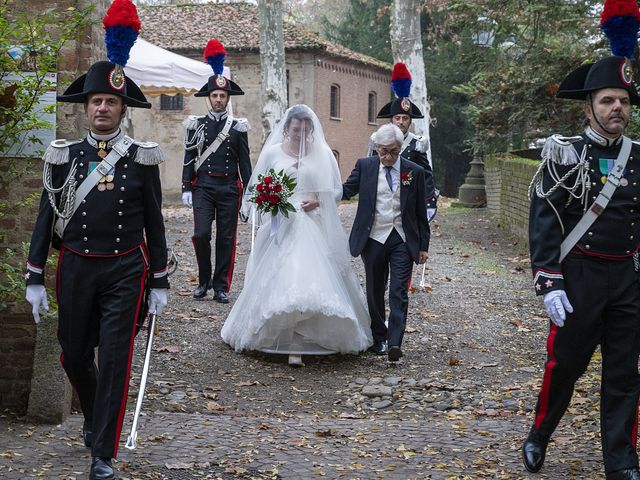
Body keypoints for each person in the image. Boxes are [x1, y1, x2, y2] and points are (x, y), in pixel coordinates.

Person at [24, 3, 169, 478]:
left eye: (110, 102)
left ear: (122, 109)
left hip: (126, 267)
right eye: (96, 102)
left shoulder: (141, 158)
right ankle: (94, 418)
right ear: (85, 108)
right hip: (77, 267)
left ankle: (102, 452)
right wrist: (35, 277)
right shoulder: (62, 156)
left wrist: (161, 280)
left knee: (116, 357)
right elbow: (47, 216)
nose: (102, 108)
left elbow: (154, 220)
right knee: (72, 352)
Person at [524, 55, 640, 480]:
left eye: (624, 101)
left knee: (625, 375)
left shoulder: (638, 157)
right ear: (588, 107)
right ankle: (539, 434)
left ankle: (623, 461)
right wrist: (549, 282)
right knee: (565, 367)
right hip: (579, 279)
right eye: (608, 100)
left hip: (627, 279)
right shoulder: (565, 153)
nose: (617, 109)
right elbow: (544, 222)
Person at [221, 104, 372, 366]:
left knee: (313, 273)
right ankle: (284, 332)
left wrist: (317, 201)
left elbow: (335, 191)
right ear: (287, 128)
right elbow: (257, 186)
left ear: (311, 129)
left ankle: (310, 333)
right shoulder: (272, 153)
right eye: (295, 129)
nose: (299, 134)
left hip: (311, 220)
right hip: (282, 220)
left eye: (304, 130)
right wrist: (272, 199)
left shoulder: (323, 153)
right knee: (277, 274)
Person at [343, 123, 430, 363]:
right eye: (383, 151)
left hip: (403, 238)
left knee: (398, 291)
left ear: (400, 149)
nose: (387, 157)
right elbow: (346, 191)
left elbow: (421, 212)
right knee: (374, 289)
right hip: (372, 237)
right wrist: (318, 195)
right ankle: (378, 336)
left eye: (392, 152)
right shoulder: (366, 166)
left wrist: (423, 246)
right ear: (376, 148)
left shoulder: (414, 172)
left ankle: (394, 342)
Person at [181, 38, 251, 302]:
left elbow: (245, 163)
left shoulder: (238, 127)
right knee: (200, 235)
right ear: (208, 98)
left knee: (226, 239)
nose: (219, 99)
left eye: (222, 95)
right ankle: (203, 281)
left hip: (229, 189)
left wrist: (251, 196)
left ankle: (221, 286)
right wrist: (186, 186)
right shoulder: (195, 125)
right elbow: (189, 157)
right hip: (204, 187)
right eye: (215, 95)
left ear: (227, 98)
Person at [370, 62, 438, 222]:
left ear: (410, 121)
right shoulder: (377, 140)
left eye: (405, 118)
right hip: (382, 200)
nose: (401, 122)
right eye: (397, 118)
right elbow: (371, 171)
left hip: (410, 201)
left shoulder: (418, 143)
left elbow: (426, 176)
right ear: (391, 119)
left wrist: (429, 203)